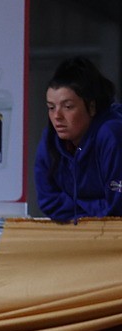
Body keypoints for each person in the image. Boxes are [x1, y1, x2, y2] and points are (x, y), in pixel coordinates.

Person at [35, 57, 122, 222]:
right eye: (51, 107)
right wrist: (91, 210)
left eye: (68, 107)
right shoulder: (50, 139)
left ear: (92, 107)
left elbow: (117, 210)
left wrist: (77, 207)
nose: (57, 116)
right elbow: (48, 202)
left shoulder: (112, 134)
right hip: (80, 232)